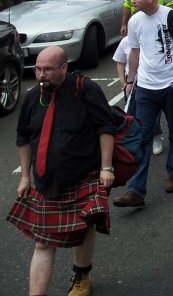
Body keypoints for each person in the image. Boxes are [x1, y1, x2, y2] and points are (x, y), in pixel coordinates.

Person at [7, 46, 117, 296]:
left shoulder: (84, 89)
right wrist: (26, 176)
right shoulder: (32, 97)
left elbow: (105, 127)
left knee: (84, 227)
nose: (41, 74)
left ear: (64, 68)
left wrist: (106, 167)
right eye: (38, 69)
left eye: (48, 69)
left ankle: (82, 276)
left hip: (84, 175)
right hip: (47, 181)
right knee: (42, 241)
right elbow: (23, 137)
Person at [113, 0, 173, 208]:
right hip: (146, 88)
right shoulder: (135, 21)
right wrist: (130, 82)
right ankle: (136, 190)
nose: (132, 1)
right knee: (143, 136)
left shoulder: (172, 17)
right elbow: (135, 52)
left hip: (172, 86)